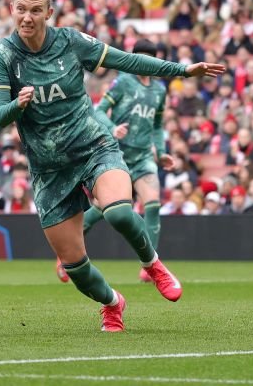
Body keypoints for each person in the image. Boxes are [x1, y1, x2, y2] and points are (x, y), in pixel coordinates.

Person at [0, 0, 225, 331]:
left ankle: (153, 265)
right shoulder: (3, 55)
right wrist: (17, 106)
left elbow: (126, 60)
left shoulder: (69, 41)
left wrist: (181, 70)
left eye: (35, 10)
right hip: (48, 169)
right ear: (11, 9)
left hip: (92, 146)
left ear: (49, 13)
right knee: (75, 267)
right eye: (21, 9)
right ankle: (113, 304)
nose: (27, 17)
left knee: (117, 212)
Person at [58, 39, 174, 284]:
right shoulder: (123, 82)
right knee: (102, 208)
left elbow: (157, 125)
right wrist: (113, 128)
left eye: (149, 59)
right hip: (117, 153)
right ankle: (66, 253)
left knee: (152, 203)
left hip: (142, 156)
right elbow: (99, 110)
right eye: (139, 58)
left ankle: (150, 266)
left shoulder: (160, 90)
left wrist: (161, 152)